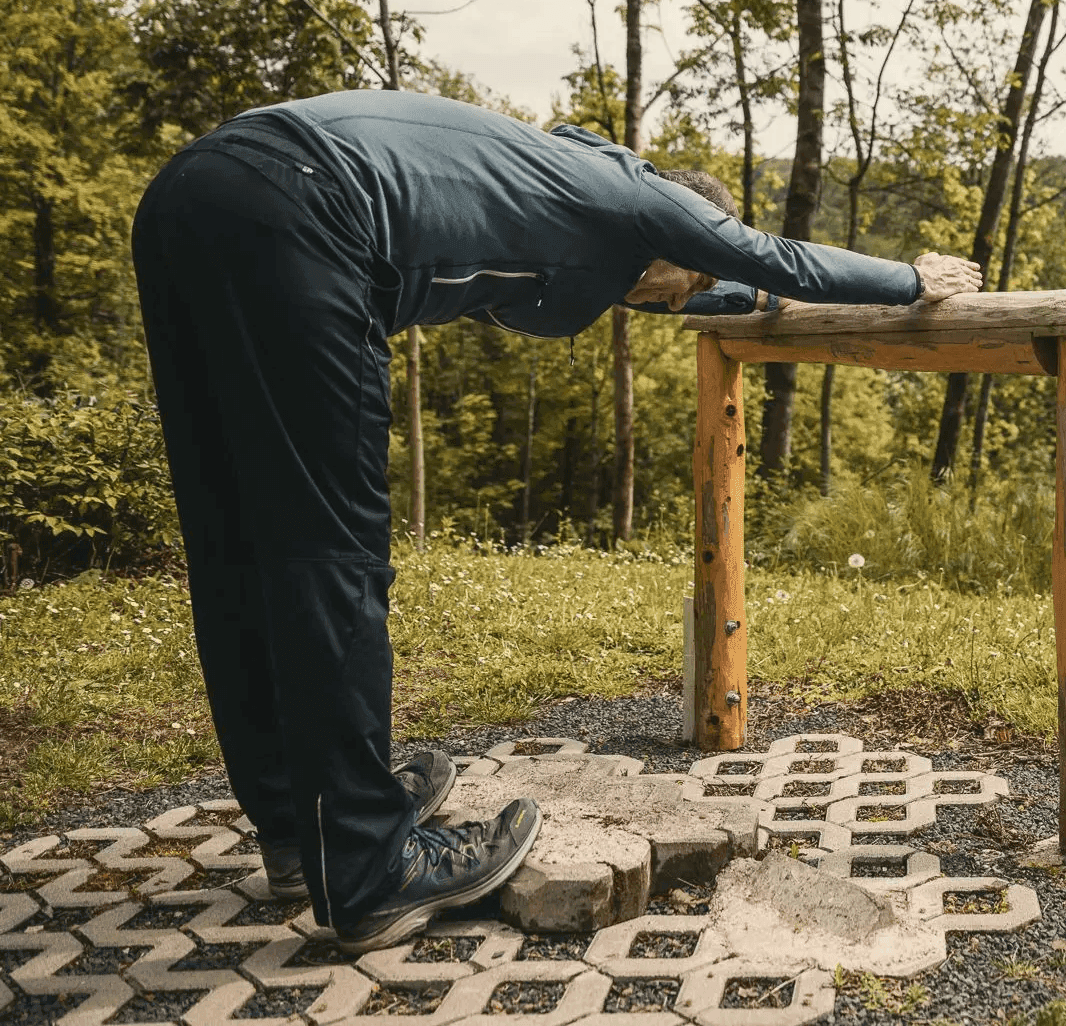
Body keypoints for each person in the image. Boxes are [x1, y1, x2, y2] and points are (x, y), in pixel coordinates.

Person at [130, 89, 981, 954]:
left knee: (235, 539)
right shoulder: (640, 196)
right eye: (678, 280)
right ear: (681, 235)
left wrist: (720, 294)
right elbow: (769, 257)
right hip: (307, 209)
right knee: (331, 557)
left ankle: (295, 823)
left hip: (196, 193)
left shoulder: (569, 186)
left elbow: (709, 287)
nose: (658, 303)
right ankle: (369, 865)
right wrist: (910, 280)